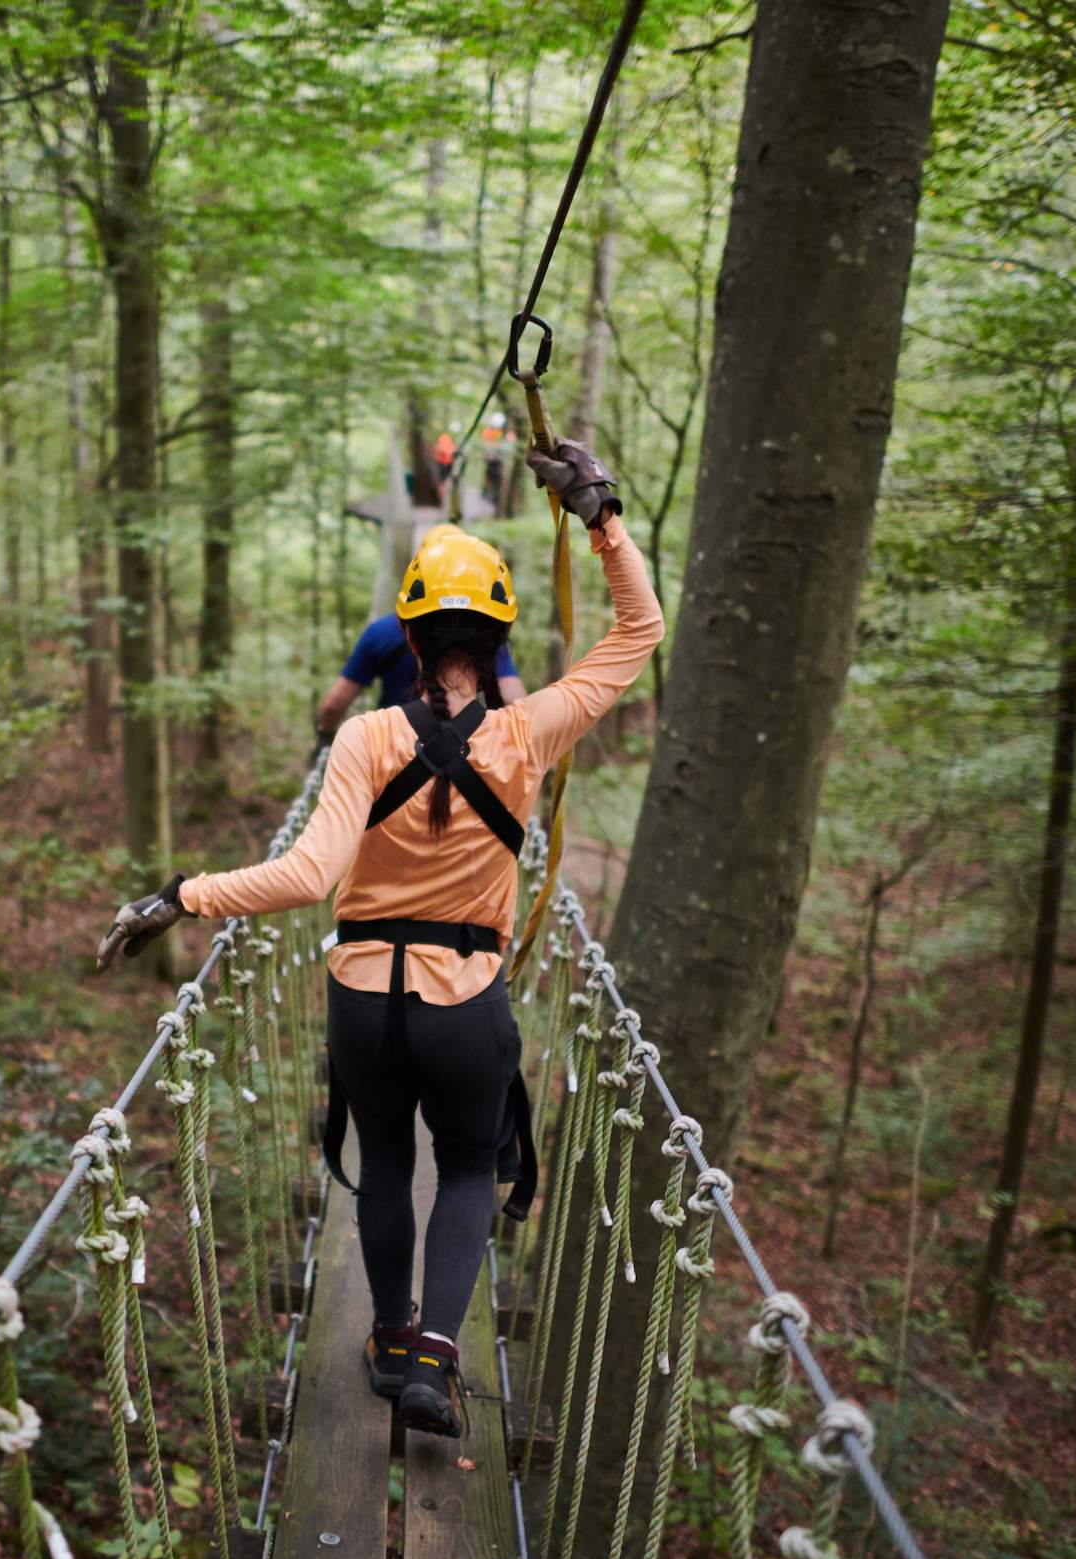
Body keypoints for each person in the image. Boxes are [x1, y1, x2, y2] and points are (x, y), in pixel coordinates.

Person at [94, 438, 663, 1439]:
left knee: (388, 1160)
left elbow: (309, 876)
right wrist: (599, 513)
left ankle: (389, 1334)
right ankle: (434, 1365)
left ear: (406, 625)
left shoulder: (363, 738)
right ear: (496, 637)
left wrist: (182, 893)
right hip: (463, 998)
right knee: (471, 1164)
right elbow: (638, 630)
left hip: (361, 997)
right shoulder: (529, 729)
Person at [316, 603, 529, 745]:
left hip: (389, 749)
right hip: (466, 750)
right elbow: (514, 699)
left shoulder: (381, 631)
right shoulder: (484, 635)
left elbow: (333, 705)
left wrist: (326, 734)